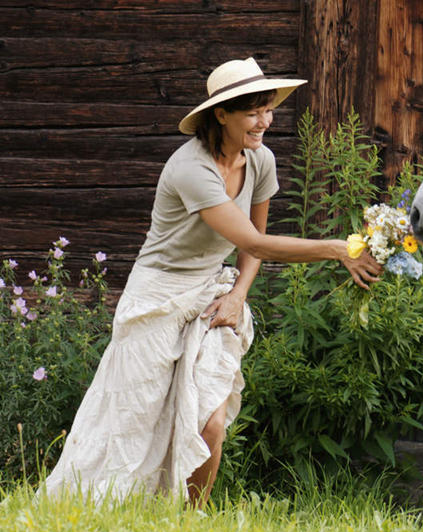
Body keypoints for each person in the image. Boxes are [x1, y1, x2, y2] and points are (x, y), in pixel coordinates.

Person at [43, 57, 383, 505]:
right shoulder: (191, 169)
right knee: (134, 422)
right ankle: (94, 506)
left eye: (268, 110)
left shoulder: (261, 161)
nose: (264, 122)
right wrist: (339, 249)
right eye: (252, 112)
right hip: (157, 295)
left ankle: (190, 520)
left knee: (210, 422)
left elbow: (252, 245)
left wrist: (238, 295)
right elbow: (254, 242)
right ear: (220, 114)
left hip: (211, 292)